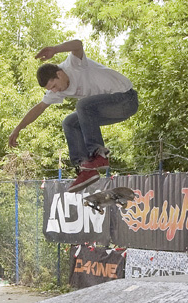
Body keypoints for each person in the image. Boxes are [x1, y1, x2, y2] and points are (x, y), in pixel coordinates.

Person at [8, 39, 138, 193]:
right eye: (51, 89)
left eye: (54, 86)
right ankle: (86, 168)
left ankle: (99, 154)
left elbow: (78, 44)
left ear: (59, 74)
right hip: (111, 110)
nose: (55, 91)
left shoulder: (74, 65)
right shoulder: (57, 90)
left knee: (83, 105)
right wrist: (18, 128)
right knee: (69, 122)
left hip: (126, 99)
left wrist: (55, 49)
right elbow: (39, 108)